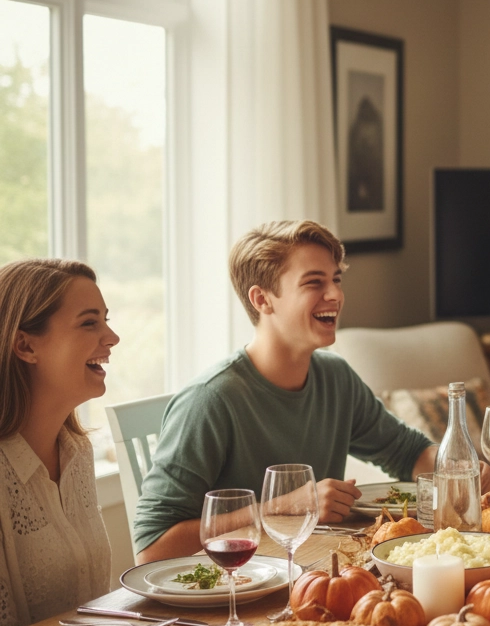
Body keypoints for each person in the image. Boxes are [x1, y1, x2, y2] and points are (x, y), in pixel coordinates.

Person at [133, 220, 465, 562]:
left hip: (311, 571)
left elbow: (407, 452)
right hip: (231, 596)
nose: (335, 295)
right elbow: (151, 548)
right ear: (262, 299)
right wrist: (280, 509)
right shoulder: (210, 400)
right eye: (314, 283)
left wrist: (458, 467)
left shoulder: (336, 378)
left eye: (336, 279)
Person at [0, 259, 116, 626]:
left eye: (105, 320)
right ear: (25, 346)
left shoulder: (77, 453)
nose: (112, 338)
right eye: (89, 323)